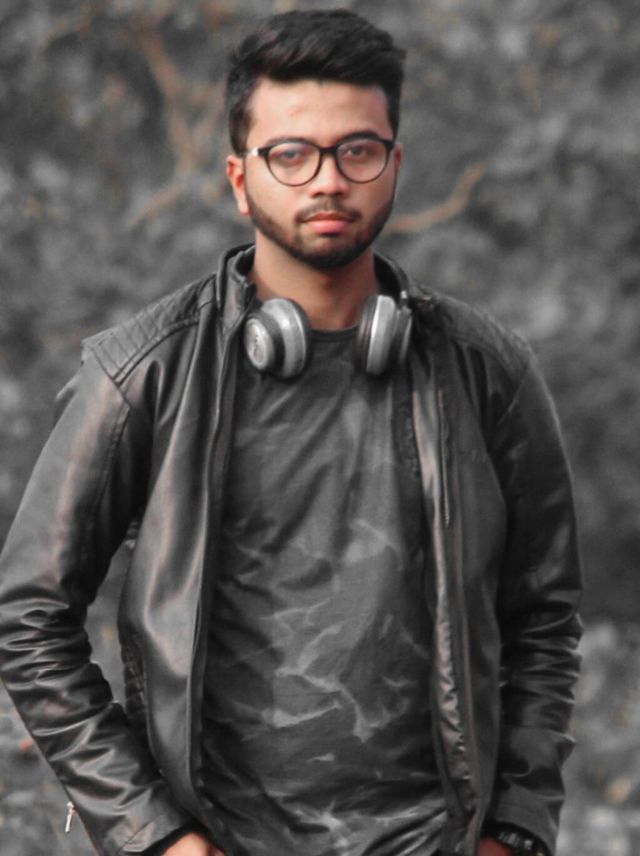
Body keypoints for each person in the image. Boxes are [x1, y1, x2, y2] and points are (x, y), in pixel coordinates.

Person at [0, 9, 581, 856]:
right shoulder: (141, 375)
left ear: (394, 165)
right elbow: (29, 617)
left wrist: (515, 830)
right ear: (241, 178)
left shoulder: (489, 372)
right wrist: (152, 835)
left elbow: (544, 619)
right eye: (291, 154)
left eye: (357, 151)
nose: (328, 181)